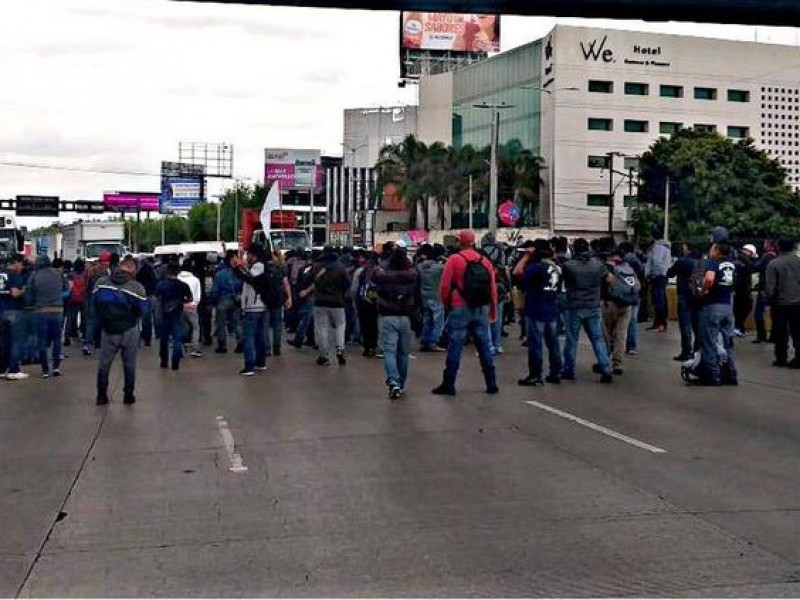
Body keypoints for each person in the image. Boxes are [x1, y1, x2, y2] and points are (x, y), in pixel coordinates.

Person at [432, 230, 498, 396]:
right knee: (484, 346)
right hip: (481, 308)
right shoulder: (485, 261)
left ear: (459, 242)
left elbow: (445, 286)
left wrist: (447, 304)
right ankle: (491, 383)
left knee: (455, 346)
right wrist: (492, 310)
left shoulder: (454, 260)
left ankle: (449, 384)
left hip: (459, 307)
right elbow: (493, 289)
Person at [92, 258, 149, 405]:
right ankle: (128, 395)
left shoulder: (101, 283)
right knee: (129, 365)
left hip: (108, 329)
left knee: (104, 364)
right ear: (133, 269)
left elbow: (94, 304)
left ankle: (101, 395)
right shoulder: (137, 287)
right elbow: (143, 310)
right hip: (129, 329)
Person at [560, 238, 615, 383]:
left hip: (574, 306)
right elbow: (610, 279)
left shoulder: (568, 265)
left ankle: (568, 369)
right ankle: (606, 368)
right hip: (593, 306)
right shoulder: (598, 265)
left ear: (574, 249)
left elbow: (562, 281)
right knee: (597, 339)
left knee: (572, 340)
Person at [372, 243, 420, 400]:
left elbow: (372, 287)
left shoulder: (381, 273)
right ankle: (401, 383)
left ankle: (393, 382)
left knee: (389, 351)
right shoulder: (412, 274)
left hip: (387, 316)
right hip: (406, 316)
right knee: (403, 353)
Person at [514, 239, 562, 386]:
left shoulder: (535, 266)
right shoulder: (554, 266)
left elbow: (517, 274)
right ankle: (555, 372)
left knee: (535, 344)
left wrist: (525, 258)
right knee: (553, 343)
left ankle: (535, 374)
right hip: (551, 307)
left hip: (536, 308)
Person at [693, 241, 738, 386]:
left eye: (712, 248)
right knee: (727, 342)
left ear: (717, 251)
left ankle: (711, 376)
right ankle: (730, 375)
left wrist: (703, 291)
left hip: (712, 306)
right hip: (727, 306)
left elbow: (710, 278)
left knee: (709, 341)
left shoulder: (713, 263)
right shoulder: (732, 264)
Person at [24, 255, 68, 378]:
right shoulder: (59, 274)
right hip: (58, 311)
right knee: (57, 340)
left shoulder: (34, 276)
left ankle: (45, 370)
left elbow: (29, 295)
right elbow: (66, 291)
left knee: (42, 341)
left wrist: (29, 305)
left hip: (41, 312)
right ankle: (56, 367)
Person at [601, 246, 640, 376]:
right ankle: (617, 362)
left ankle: (604, 360)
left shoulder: (607, 267)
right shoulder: (628, 267)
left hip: (609, 304)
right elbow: (638, 285)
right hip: (627, 305)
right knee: (621, 335)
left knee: (606, 334)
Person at [232, 244, 270, 376]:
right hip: (260, 306)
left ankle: (249, 366)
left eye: (249, 254)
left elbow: (248, 277)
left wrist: (238, 267)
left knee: (249, 337)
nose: (247, 256)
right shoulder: (260, 266)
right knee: (259, 336)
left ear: (254, 255)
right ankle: (260, 362)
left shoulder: (258, 266)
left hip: (253, 306)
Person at [312, 246, 350, 367]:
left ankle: (324, 356)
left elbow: (311, 280)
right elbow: (347, 283)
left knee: (322, 328)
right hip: (337, 301)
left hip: (320, 301)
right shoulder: (340, 267)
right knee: (340, 326)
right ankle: (340, 348)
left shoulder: (317, 266)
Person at [765, 237, 800, 368]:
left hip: (781, 304)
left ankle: (781, 358)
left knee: (781, 333)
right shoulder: (798, 262)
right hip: (798, 303)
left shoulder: (774, 264)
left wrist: (769, 301)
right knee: (797, 332)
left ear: (778, 247)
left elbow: (770, 287)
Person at [154, 263, 193, 371]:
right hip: (178, 313)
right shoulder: (183, 285)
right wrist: (181, 301)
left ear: (167, 272)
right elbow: (189, 299)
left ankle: (164, 361)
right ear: (178, 272)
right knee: (177, 338)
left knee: (164, 338)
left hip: (164, 313)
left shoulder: (161, 285)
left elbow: (157, 297)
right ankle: (175, 362)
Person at [668, 243, 702, 361]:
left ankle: (686, 351)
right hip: (698, 296)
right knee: (697, 325)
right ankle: (697, 350)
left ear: (687, 249)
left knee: (685, 325)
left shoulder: (682, 262)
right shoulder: (702, 262)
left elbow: (669, 273)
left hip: (684, 295)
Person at [0, 254, 28, 380]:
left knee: (4, 341)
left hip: (1, 310)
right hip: (13, 311)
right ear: (16, 262)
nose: (22, 267)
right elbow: (15, 293)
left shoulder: (1, 273)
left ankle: (1, 369)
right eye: (21, 264)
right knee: (16, 341)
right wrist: (25, 290)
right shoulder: (15, 275)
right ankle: (14, 370)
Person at [209, 250, 242, 354]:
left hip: (223, 300)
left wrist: (212, 302)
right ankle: (241, 344)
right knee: (237, 323)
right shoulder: (239, 273)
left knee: (221, 324)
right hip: (236, 299)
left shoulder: (219, 274)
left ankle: (222, 346)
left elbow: (215, 290)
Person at [416, 243, 445, 352]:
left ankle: (425, 340)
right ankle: (433, 342)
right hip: (436, 296)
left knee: (427, 319)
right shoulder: (440, 268)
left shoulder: (420, 267)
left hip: (424, 295)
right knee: (438, 321)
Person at [82, 251, 112, 355]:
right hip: (103, 299)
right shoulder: (107, 272)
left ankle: (87, 344)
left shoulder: (91, 270)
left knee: (91, 321)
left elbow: (86, 284)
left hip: (91, 297)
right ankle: (103, 343)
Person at [263, 250, 292, 358]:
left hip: (266, 299)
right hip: (278, 299)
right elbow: (286, 283)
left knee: (265, 324)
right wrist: (289, 297)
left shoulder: (264, 267)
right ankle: (276, 347)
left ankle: (267, 348)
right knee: (277, 324)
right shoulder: (282, 268)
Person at [645, 229, 672, 332]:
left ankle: (660, 323)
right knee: (661, 299)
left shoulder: (658, 247)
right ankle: (659, 322)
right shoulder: (666, 247)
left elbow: (656, 263)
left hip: (657, 277)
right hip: (663, 276)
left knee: (658, 300)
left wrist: (651, 274)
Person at [752, 239, 778, 344]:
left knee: (758, 313)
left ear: (769, 245)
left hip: (764, 288)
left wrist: (754, 259)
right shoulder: (778, 256)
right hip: (776, 289)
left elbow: (755, 267)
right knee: (775, 314)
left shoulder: (766, 256)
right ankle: (774, 335)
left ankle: (761, 335)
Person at [178, 261, 203, 358]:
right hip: (192, 306)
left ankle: (181, 347)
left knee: (181, 326)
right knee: (195, 327)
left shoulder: (178, 278)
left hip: (180, 306)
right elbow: (198, 296)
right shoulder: (195, 279)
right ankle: (195, 348)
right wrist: (195, 304)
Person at [733, 244, 758, 337]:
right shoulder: (742, 261)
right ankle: (738, 327)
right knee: (742, 308)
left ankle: (740, 327)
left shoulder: (742, 260)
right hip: (741, 288)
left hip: (743, 288)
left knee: (744, 308)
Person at [64, 258, 88, 347]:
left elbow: (68, 288)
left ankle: (68, 335)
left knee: (70, 318)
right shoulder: (85, 274)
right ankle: (85, 335)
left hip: (72, 299)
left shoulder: (70, 275)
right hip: (83, 298)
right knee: (84, 317)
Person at [135, 257, 157, 347]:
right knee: (149, 318)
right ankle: (148, 339)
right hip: (151, 296)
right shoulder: (152, 272)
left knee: (142, 318)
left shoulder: (140, 273)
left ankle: (142, 337)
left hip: (142, 297)